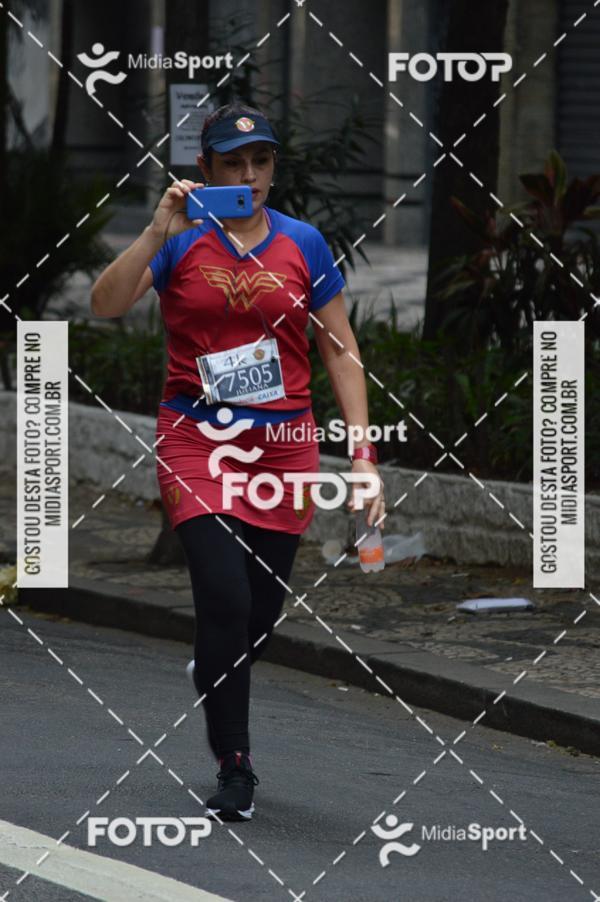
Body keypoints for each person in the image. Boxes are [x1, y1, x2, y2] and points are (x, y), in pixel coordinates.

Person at [90, 100, 386, 822]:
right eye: (232, 163)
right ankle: (236, 763)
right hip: (196, 440)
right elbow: (104, 304)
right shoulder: (180, 241)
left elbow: (340, 352)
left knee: (257, 614)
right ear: (206, 170)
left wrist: (363, 456)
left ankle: (218, 667)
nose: (249, 176)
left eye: (260, 162)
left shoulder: (304, 245)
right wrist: (158, 228)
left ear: (272, 167)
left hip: (283, 447)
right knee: (222, 597)